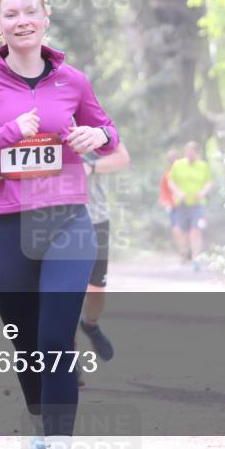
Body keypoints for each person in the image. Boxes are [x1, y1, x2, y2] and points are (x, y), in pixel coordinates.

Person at [0, 0, 121, 449]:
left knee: (56, 339)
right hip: (2, 229)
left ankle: (61, 446)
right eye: (11, 15)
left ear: (45, 19)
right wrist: (6, 132)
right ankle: (41, 426)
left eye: (29, 12)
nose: (21, 21)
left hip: (65, 223)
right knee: (29, 344)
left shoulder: (72, 80)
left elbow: (107, 131)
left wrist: (96, 139)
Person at [77, 141, 131, 368]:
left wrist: (91, 166)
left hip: (96, 218)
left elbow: (122, 158)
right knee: (64, 292)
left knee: (96, 289)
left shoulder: (93, 124)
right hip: (55, 219)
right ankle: (69, 361)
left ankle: (91, 324)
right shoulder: (40, 124)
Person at [167, 141, 213, 272]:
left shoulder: (203, 166)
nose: (190, 155)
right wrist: (178, 193)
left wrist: (203, 192)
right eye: (188, 152)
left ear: (197, 154)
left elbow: (209, 182)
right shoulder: (178, 165)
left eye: (193, 153)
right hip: (181, 204)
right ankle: (184, 252)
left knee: (195, 231)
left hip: (198, 205)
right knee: (181, 231)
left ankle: (196, 258)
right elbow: (171, 181)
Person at [158, 150, 187, 263]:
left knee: (186, 230)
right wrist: (165, 202)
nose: (174, 161)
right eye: (171, 159)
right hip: (174, 206)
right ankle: (183, 252)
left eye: (176, 158)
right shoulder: (167, 175)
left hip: (186, 205)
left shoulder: (186, 173)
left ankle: (189, 251)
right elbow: (163, 191)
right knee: (176, 230)